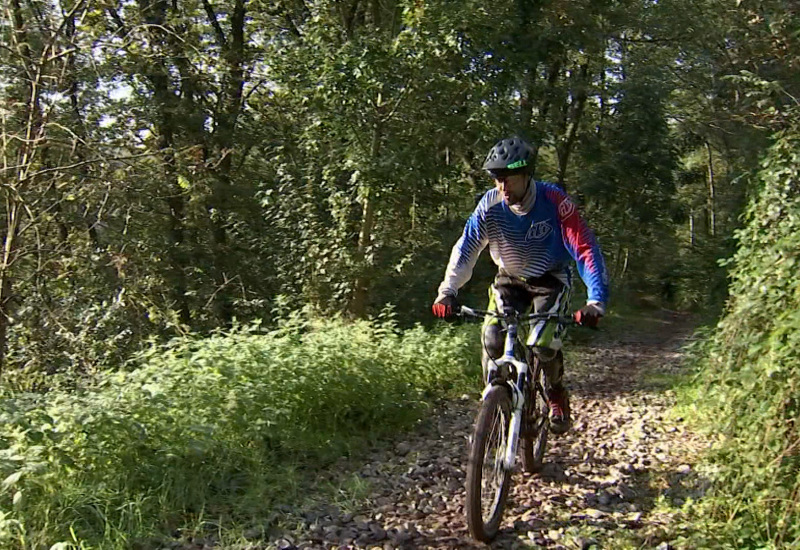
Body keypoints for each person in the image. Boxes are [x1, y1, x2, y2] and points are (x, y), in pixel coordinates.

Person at [432, 137, 609, 435]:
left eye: (508, 180)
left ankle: (555, 392)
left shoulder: (555, 202)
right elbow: (466, 249)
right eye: (497, 180)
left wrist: (596, 300)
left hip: (551, 280)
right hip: (509, 279)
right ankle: (497, 399)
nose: (502, 188)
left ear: (527, 176)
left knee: (542, 345)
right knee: (492, 338)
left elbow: (584, 249)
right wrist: (447, 292)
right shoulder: (490, 205)